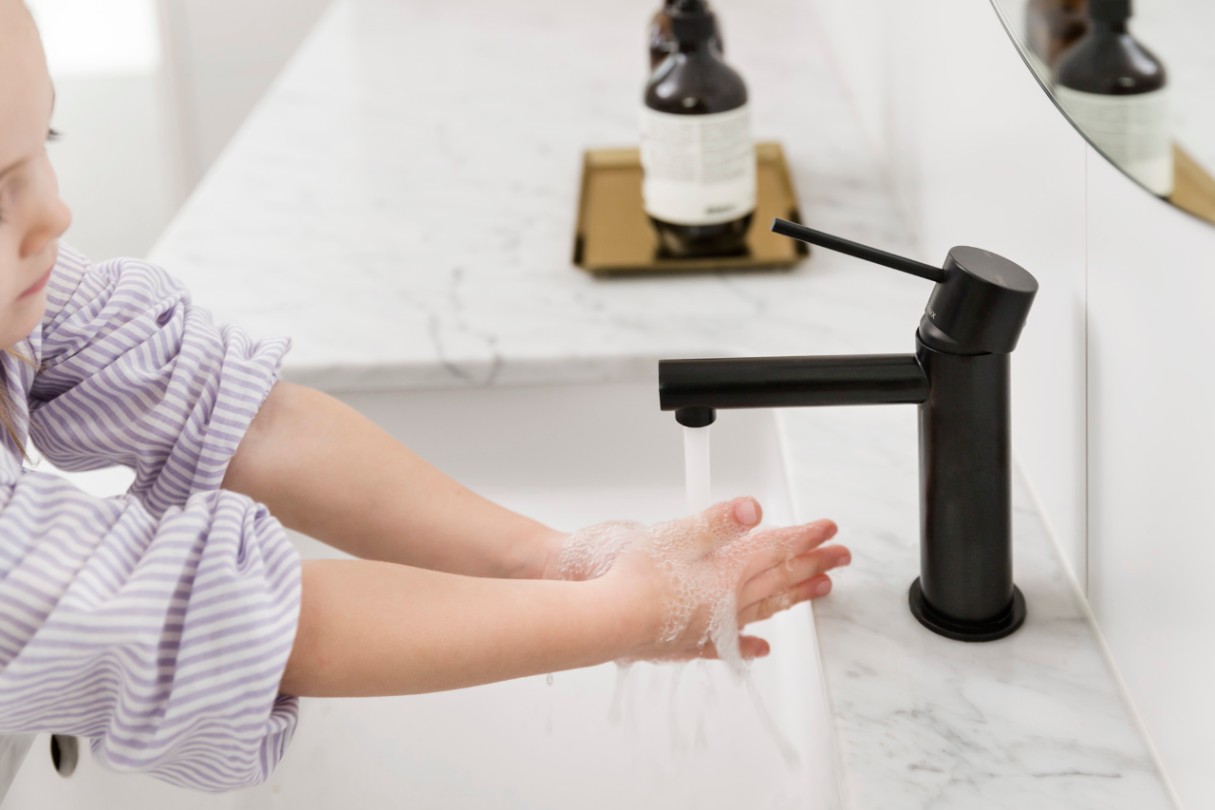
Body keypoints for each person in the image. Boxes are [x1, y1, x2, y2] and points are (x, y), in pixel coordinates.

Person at [0, 0, 851, 793]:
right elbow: (216, 622)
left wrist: (551, 560)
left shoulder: (30, 287)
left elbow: (235, 413)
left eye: (48, 143)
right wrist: (622, 612)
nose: (56, 213)